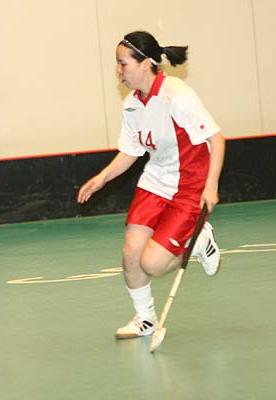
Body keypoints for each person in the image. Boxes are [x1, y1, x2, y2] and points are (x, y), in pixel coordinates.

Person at [77, 31, 225, 339]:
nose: (119, 71)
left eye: (123, 64)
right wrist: (101, 178)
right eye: (117, 64)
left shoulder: (176, 95)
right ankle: (145, 319)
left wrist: (210, 186)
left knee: (153, 265)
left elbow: (216, 138)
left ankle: (200, 239)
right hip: (155, 181)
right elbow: (131, 151)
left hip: (189, 185)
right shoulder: (132, 104)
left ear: (145, 64)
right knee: (131, 254)